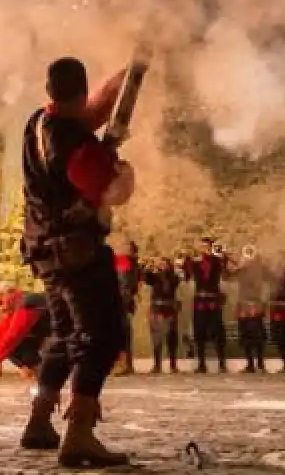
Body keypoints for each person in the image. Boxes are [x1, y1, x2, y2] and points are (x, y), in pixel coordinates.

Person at [18, 56, 134, 467]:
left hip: (43, 247)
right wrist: (121, 171)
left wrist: (126, 75)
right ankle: (79, 434)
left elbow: (90, 114)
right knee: (101, 337)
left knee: (66, 335)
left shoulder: (39, 121)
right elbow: (107, 191)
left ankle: (39, 420)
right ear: (79, 91)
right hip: (75, 249)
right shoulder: (73, 143)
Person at [184, 237, 229, 373]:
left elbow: (226, 271)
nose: (203, 249)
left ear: (210, 247)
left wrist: (221, 256)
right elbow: (186, 276)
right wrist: (185, 261)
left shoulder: (217, 260)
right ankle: (201, 364)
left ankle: (222, 363)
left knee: (218, 331)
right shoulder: (194, 262)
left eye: (206, 246)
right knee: (199, 332)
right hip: (200, 300)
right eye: (201, 246)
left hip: (213, 299)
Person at [144, 255, 182, 373]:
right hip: (157, 308)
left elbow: (174, 282)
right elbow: (146, 277)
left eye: (164, 264)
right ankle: (157, 365)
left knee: (171, 337)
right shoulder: (154, 276)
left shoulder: (173, 277)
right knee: (156, 337)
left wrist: (166, 272)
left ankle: (173, 364)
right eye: (161, 264)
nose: (162, 266)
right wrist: (149, 267)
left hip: (169, 309)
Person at [232, 248, 268, 372]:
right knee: (245, 335)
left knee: (258, 336)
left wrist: (254, 265)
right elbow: (227, 275)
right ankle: (250, 364)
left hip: (255, 304)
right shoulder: (241, 269)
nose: (247, 258)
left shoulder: (259, 269)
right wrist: (238, 266)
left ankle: (260, 363)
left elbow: (264, 280)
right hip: (243, 305)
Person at [113, 243, 139, 375]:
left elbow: (126, 286)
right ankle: (126, 363)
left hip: (121, 301)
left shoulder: (124, 261)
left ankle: (123, 363)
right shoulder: (131, 263)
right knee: (124, 332)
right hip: (124, 300)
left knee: (121, 331)